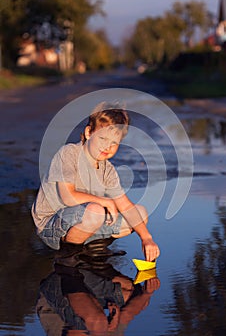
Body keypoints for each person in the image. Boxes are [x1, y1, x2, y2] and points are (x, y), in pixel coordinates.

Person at [31, 102, 160, 262]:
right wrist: (104, 201)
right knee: (97, 210)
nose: (107, 146)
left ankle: (93, 248)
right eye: (103, 138)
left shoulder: (107, 169)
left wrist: (146, 238)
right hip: (51, 225)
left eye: (114, 143)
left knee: (139, 214)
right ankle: (68, 255)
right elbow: (68, 197)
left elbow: (125, 205)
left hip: (85, 216)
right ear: (88, 133)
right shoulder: (68, 154)